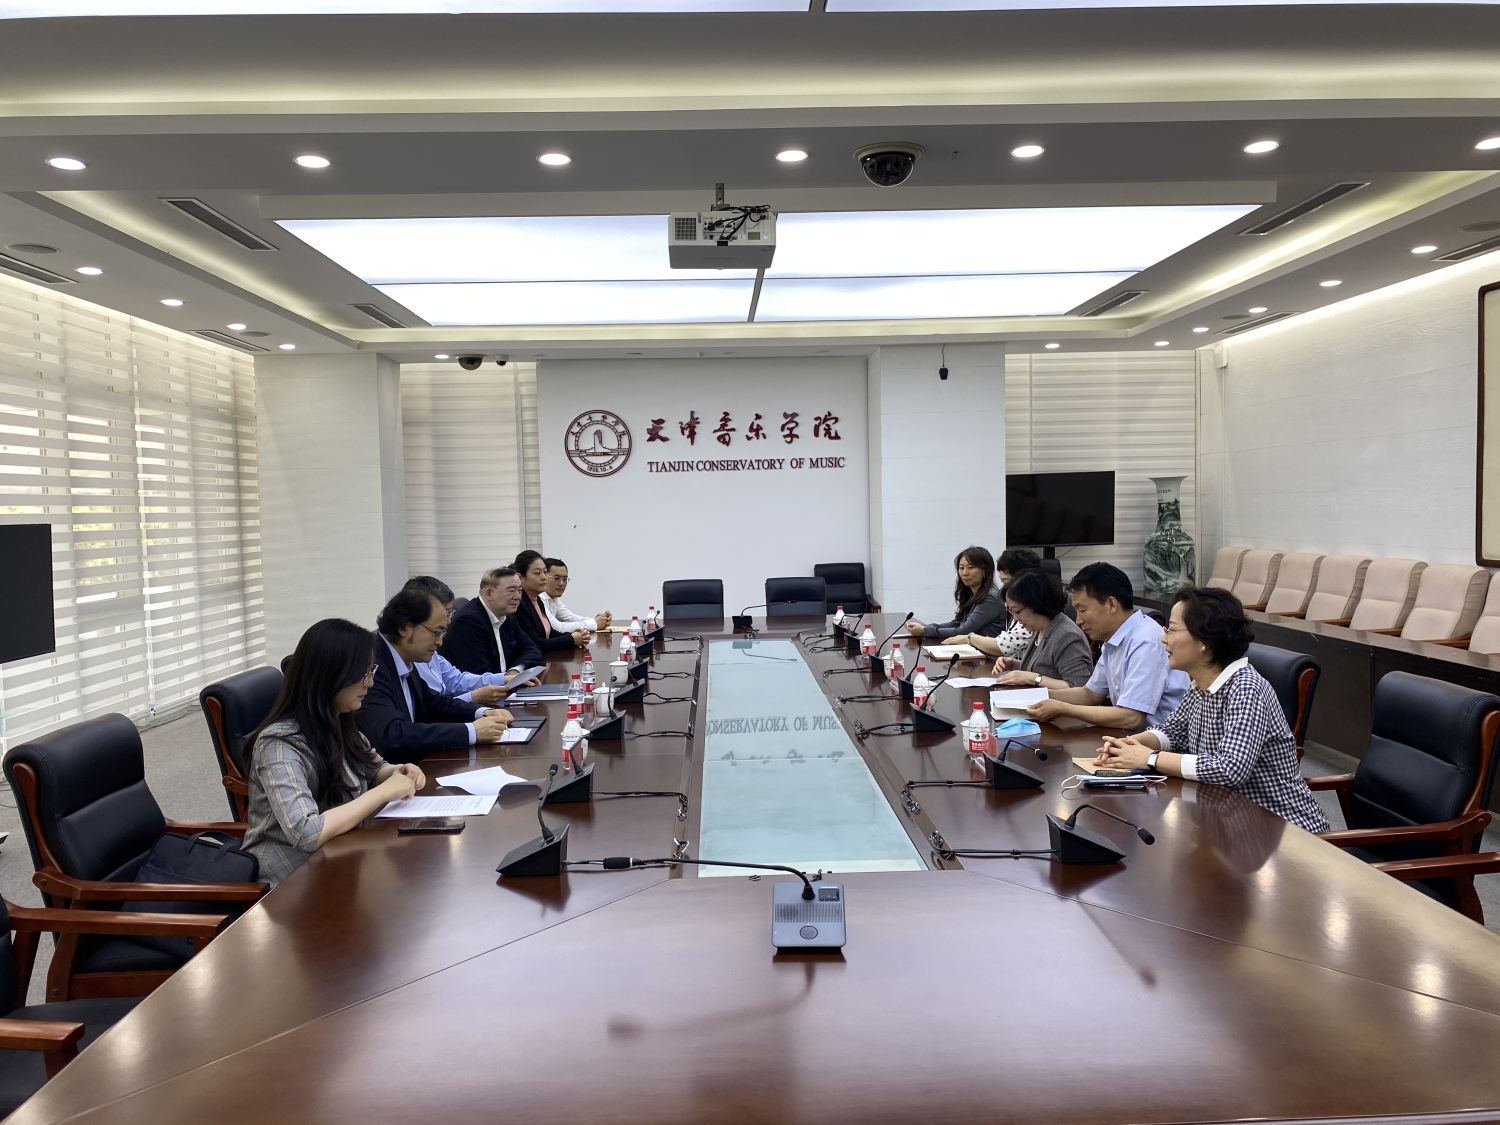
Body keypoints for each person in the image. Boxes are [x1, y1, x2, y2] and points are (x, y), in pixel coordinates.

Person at [1092, 587, 1329, 832]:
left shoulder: (1246, 689)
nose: (1164, 638)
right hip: (1229, 819)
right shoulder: (1201, 685)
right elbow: (1173, 732)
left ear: (1205, 641)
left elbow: (1230, 768)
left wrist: (1150, 758)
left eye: (1171, 629)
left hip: (1284, 830)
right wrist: (1132, 744)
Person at [243, 617, 429, 886]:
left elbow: (373, 766)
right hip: (290, 880)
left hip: (342, 858)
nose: (370, 683)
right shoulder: (278, 743)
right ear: (331, 675)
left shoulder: (337, 720)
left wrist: (396, 772)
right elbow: (307, 832)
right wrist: (383, 792)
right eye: (363, 674)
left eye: (372, 670)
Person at [1026, 561, 1188, 730]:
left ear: (1111, 604)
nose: (1078, 620)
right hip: (1127, 738)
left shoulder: (1145, 640)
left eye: (1083, 610)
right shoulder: (1114, 639)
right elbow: (1090, 694)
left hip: (1161, 741)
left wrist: (1062, 708)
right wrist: (1036, 696)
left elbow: (1131, 717)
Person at [358, 588, 513, 763]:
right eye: (436, 633)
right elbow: (391, 734)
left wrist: (483, 712)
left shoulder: (402, 657)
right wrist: (470, 732)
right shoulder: (372, 664)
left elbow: (433, 702)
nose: (440, 642)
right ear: (404, 627)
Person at [403, 576, 525, 704]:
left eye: (450, 613)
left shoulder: (429, 649)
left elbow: (456, 680)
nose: (449, 621)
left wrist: (505, 678)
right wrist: (473, 697)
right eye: (445, 614)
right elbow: (428, 709)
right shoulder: (410, 657)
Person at [983, 568, 1094, 688]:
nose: (1015, 618)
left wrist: (1032, 678)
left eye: (1017, 611)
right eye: (1012, 612)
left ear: (1036, 604)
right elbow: (1046, 669)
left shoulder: (1067, 635)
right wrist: (1014, 665)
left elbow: (1077, 687)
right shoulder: (1039, 628)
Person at [946, 547, 1044, 660]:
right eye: (961, 568)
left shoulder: (1034, 611)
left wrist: (970, 638)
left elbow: (1005, 646)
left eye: (1007, 582)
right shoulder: (1021, 607)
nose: (1004, 589)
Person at [441, 567, 543, 675]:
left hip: (505, 682)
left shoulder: (507, 616)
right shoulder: (468, 622)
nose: (518, 597)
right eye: (511, 591)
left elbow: (533, 649)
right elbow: (479, 675)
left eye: (520, 590)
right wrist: (507, 679)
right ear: (489, 593)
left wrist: (515, 670)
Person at [903, 546, 1005, 640]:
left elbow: (964, 631)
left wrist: (925, 631)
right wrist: (925, 628)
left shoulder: (990, 597)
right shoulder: (971, 593)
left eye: (970, 567)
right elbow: (956, 624)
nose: (965, 573)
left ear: (985, 571)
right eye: (961, 568)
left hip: (986, 653)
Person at [513, 549, 590, 653]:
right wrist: (571, 639)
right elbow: (535, 644)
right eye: (537, 573)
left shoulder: (537, 600)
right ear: (520, 578)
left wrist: (575, 636)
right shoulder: (519, 604)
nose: (544, 577)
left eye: (545, 572)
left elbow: (549, 633)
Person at [541, 558, 612, 634]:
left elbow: (571, 618)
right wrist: (595, 623)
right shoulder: (539, 599)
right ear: (544, 577)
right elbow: (559, 628)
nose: (561, 583)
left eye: (564, 579)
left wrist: (599, 620)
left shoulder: (554, 599)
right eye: (556, 578)